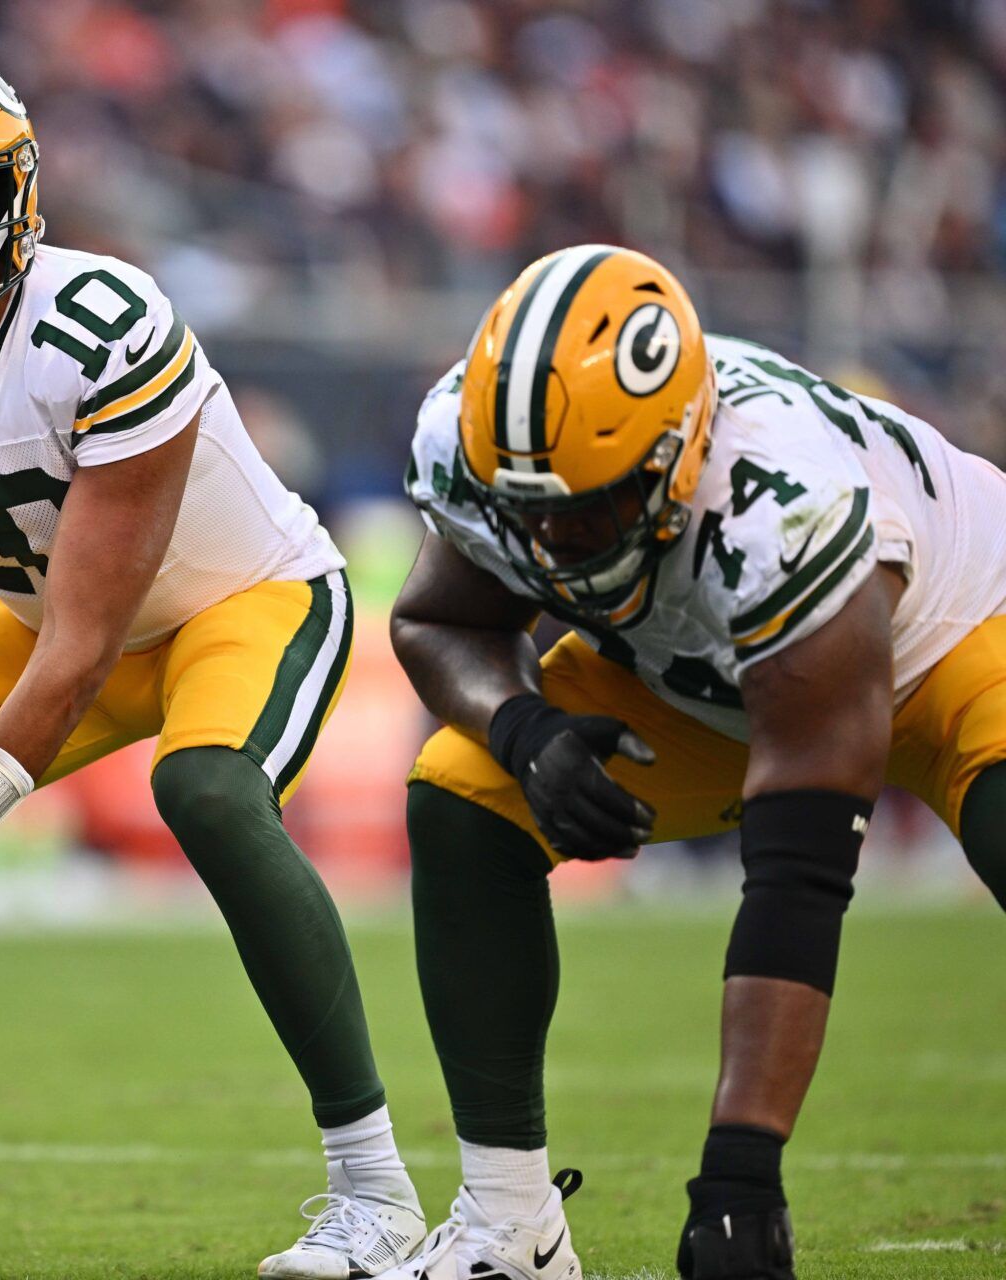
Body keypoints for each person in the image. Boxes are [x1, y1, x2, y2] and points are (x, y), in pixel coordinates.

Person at [0, 41, 422, 1279]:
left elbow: (78, 648)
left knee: (209, 788)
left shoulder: (100, 325)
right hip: (38, 610)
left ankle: (375, 1189)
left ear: (12, 189)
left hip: (244, 597)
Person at [388, 244, 1006, 1280]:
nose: (558, 544)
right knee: (463, 796)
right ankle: (507, 1224)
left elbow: (801, 870)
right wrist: (521, 728)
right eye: (532, 512)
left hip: (955, 638)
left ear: (680, 450)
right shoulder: (483, 444)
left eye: (589, 509)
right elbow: (439, 619)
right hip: (712, 671)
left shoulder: (783, 504)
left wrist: (740, 1175)